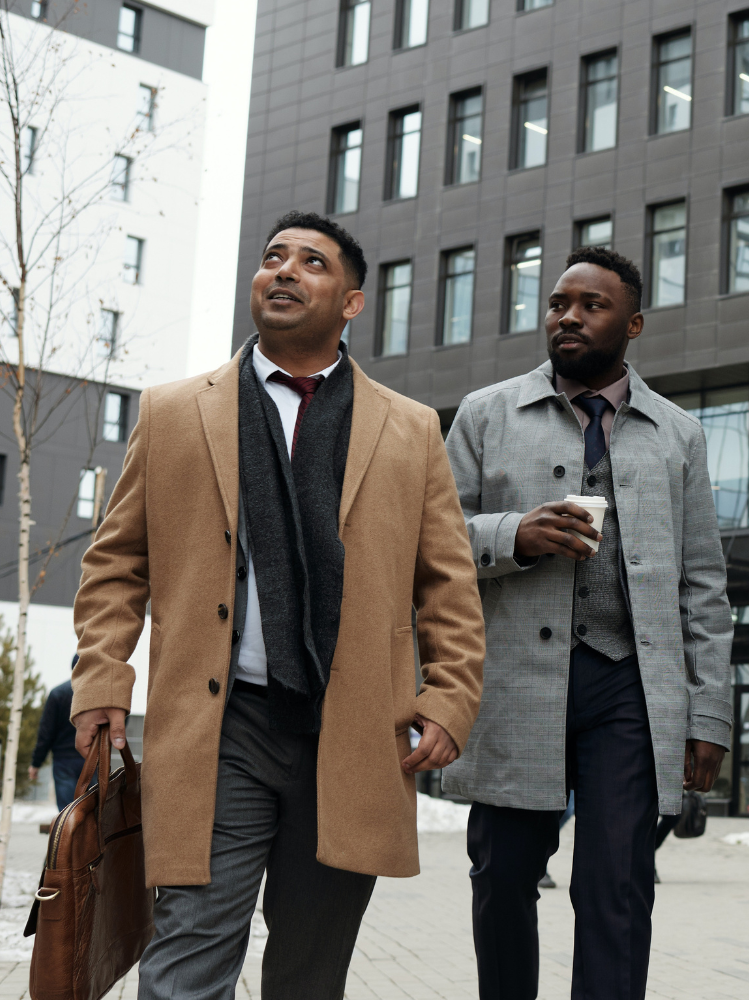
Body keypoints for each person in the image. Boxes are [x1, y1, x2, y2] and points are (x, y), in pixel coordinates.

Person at [69, 211, 486, 999]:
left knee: (308, 974)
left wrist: (452, 697)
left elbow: (448, 583)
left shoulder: (410, 428)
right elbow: (117, 563)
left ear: (352, 302)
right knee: (186, 959)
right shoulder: (172, 413)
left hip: (356, 732)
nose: (285, 271)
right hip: (220, 727)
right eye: (273, 258)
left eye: (312, 262)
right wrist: (101, 680)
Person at [443, 245, 732, 1000]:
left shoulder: (679, 435)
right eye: (558, 303)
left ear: (632, 323)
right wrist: (513, 537)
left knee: (617, 886)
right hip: (514, 681)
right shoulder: (484, 414)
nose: (568, 316)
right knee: (502, 876)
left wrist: (708, 713)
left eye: (591, 305)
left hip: (627, 687)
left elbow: (702, 583)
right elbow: (429, 542)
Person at [30, 672, 83, 811]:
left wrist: (36, 763)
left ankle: (68, 833)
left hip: (64, 760)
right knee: (92, 811)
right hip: (92, 757)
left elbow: (46, 732)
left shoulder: (58, 693)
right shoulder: (100, 694)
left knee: (67, 812)